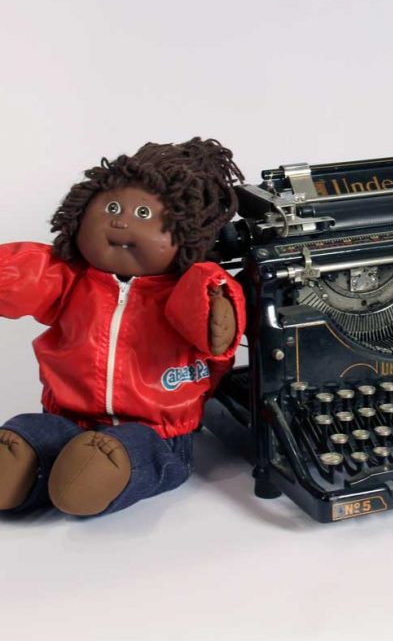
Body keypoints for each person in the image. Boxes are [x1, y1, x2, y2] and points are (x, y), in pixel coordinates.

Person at [0, 138, 245, 517]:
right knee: (28, 437)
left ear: (188, 234)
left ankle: (102, 472)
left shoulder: (190, 287)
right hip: (65, 417)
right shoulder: (71, 278)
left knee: (127, 452)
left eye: (144, 214)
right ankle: (22, 458)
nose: (120, 221)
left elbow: (207, 323)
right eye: (112, 207)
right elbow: (28, 277)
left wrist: (215, 308)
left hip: (158, 432)